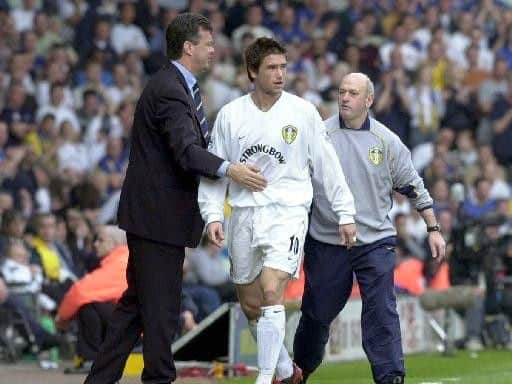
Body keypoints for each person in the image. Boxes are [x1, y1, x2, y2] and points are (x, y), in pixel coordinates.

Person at [84, 13, 267, 384]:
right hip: (158, 221)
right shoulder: (170, 89)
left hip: (155, 219)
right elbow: (186, 152)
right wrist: (231, 169)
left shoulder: (175, 86)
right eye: (208, 43)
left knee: (136, 308)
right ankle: (159, 380)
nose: (215, 49)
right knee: (161, 313)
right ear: (188, 47)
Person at [198, 37, 356, 384]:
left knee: (272, 289)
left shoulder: (302, 112)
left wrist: (345, 213)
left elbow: (327, 166)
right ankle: (287, 372)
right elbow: (214, 171)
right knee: (251, 303)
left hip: (288, 210)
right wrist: (212, 215)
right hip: (242, 214)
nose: (280, 74)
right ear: (252, 72)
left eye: (284, 67)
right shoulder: (230, 115)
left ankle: (265, 376)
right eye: (272, 67)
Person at [292, 72, 446, 384]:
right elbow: (297, 185)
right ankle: (300, 370)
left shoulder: (387, 141)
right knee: (318, 313)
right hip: (327, 239)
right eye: (342, 91)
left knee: (381, 309)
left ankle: (390, 377)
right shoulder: (319, 136)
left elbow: (414, 186)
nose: (345, 97)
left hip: (375, 240)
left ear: (369, 100)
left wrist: (433, 227)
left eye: (352, 92)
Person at [54, 225, 129, 372]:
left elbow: (80, 291)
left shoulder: (121, 262)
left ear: (115, 243)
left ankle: (91, 359)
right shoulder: (123, 259)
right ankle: (93, 358)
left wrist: (62, 318)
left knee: (88, 304)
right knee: (92, 303)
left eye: (100, 240)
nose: (95, 244)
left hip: (135, 330)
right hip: (133, 325)